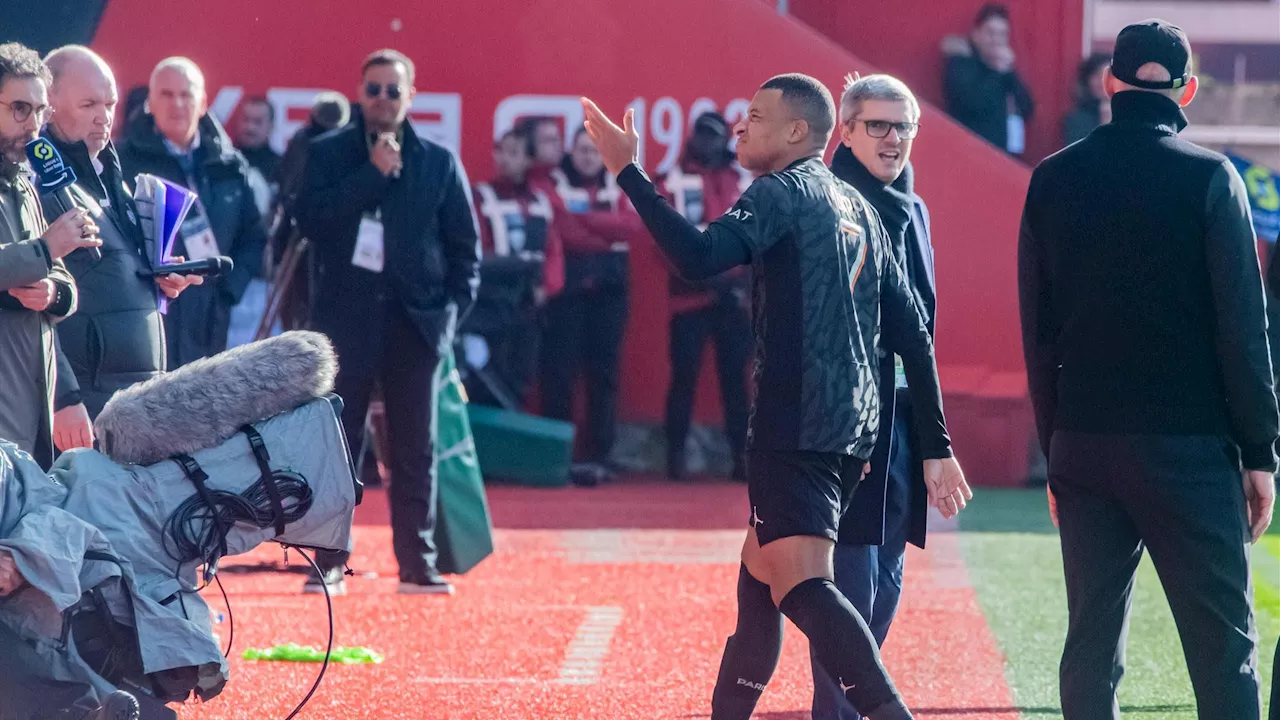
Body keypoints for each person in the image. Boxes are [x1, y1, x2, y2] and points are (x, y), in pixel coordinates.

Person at [581, 74, 971, 720]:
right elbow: (915, 336)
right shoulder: (861, 208)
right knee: (759, 586)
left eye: (756, 116)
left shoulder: (781, 193)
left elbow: (698, 257)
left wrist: (628, 173)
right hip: (852, 434)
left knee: (806, 590)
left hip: (794, 428)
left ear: (796, 132)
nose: (741, 126)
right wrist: (938, 443)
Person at [1018, 20, 1278, 719]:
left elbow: (1037, 336)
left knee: (1091, 647)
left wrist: (1055, 448)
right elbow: (1242, 331)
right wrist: (1260, 452)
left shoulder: (1051, 179)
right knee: (1223, 648)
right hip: (1189, 447)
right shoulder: (1210, 177)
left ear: (1109, 82)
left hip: (1084, 442)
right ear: (1187, 88)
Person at [295, 48, 480, 596]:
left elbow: (465, 254)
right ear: (359, 92)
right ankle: (328, 560)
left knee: (414, 447)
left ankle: (416, 562)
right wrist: (371, 178)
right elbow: (310, 220)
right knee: (338, 443)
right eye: (373, 89)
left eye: (392, 90)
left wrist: (445, 320)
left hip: (414, 324)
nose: (382, 99)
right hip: (345, 321)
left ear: (410, 96)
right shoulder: (328, 153)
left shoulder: (439, 162)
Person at [815, 73, 936, 720]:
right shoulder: (825, 205)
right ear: (847, 130)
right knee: (849, 588)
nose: (894, 139)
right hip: (848, 425)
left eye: (905, 126)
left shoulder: (914, 210)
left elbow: (923, 333)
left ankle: (854, 707)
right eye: (879, 126)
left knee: (886, 581)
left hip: (905, 420)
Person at [39, 46, 201, 451]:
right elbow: (29, 305)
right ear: (49, 104)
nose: (103, 115)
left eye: (109, 103)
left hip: (134, 398)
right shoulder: (37, 186)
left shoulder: (113, 179)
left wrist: (157, 278)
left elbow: (109, 275)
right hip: (83, 408)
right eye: (89, 103)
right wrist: (63, 397)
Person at [117, 57, 266, 368]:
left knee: (207, 410)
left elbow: (253, 235)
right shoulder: (123, 161)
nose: (177, 104)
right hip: (150, 316)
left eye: (186, 94)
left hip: (211, 319)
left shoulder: (228, 164)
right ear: (150, 103)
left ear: (203, 103)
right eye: (167, 94)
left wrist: (228, 290)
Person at [0, 42, 95, 470]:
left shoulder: (23, 181)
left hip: (29, 408)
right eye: (20, 108)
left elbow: (62, 282)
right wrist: (45, 249)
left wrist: (54, 293)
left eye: (41, 111)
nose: (33, 124)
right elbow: (43, 253)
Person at [539, 128, 642, 476]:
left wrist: (585, 222)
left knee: (605, 375)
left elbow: (631, 225)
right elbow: (562, 227)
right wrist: (604, 235)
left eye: (594, 151)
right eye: (582, 150)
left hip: (610, 291)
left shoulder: (620, 179)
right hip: (567, 292)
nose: (588, 157)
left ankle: (601, 455)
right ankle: (557, 455)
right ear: (571, 151)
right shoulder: (554, 180)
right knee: (560, 373)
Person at [659, 111, 751, 482]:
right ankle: (674, 455)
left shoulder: (740, 180)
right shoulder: (673, 180)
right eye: (702, 135)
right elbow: (662, 240)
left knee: (736, 382)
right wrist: (702, 277)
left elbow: (757, 237)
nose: (708, 143)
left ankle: (742, 458)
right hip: (689, 297)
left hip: (733, 299)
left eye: (714, 136)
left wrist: (741, 285)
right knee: (683, 378)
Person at [465, 128, 564, 408]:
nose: (504, 159)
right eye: (501, 151)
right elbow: (475, 249)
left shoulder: (541, 202)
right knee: (486, 383)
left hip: (528, 309)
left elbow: (553, 250)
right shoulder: (480, 197)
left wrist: (547, 287)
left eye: (514, 153)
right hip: (489, 308)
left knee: (521, 382)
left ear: (528, 160)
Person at [943, 3, 1035, 158]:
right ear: (976, 34)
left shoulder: (1006, 70)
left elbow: (1027, 108)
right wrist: (996, 71)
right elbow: (971, 103)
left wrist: (1009, 73)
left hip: (1006, 158)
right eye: (990, 33)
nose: (996, 40)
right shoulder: (960, 65)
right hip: (971, 155)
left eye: (1002, 34)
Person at [1062, 53, 1112, 147]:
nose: (1102, 81)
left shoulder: (1129, 115)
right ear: (1086, 80)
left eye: (1107, 75)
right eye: (1097, 75)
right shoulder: (1077, 120)